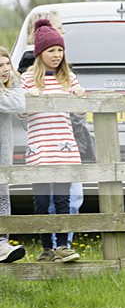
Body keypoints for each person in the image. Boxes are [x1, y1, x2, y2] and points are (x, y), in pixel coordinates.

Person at [19, 19, 84, 262]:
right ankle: (47, 247)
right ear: (39, 53)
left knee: (62, 199)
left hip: (63, 147)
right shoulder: (28, 79)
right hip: (40, 148)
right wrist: (29, 97)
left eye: (60, 50)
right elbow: (21, 113)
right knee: (42, 200)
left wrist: (79, 97)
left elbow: (80, 113)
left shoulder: (69, 78)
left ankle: (63, 247)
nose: (56, 55)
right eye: (51, 51)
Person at [0, 46, 26, 263]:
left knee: (2, 198)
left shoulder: (6, 91)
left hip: (3, 157)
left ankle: (2, 244)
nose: (6, 69)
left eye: (8, 64)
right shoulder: (6, 95)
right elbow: (18, 103)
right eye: (0, 65)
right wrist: (16, 84)